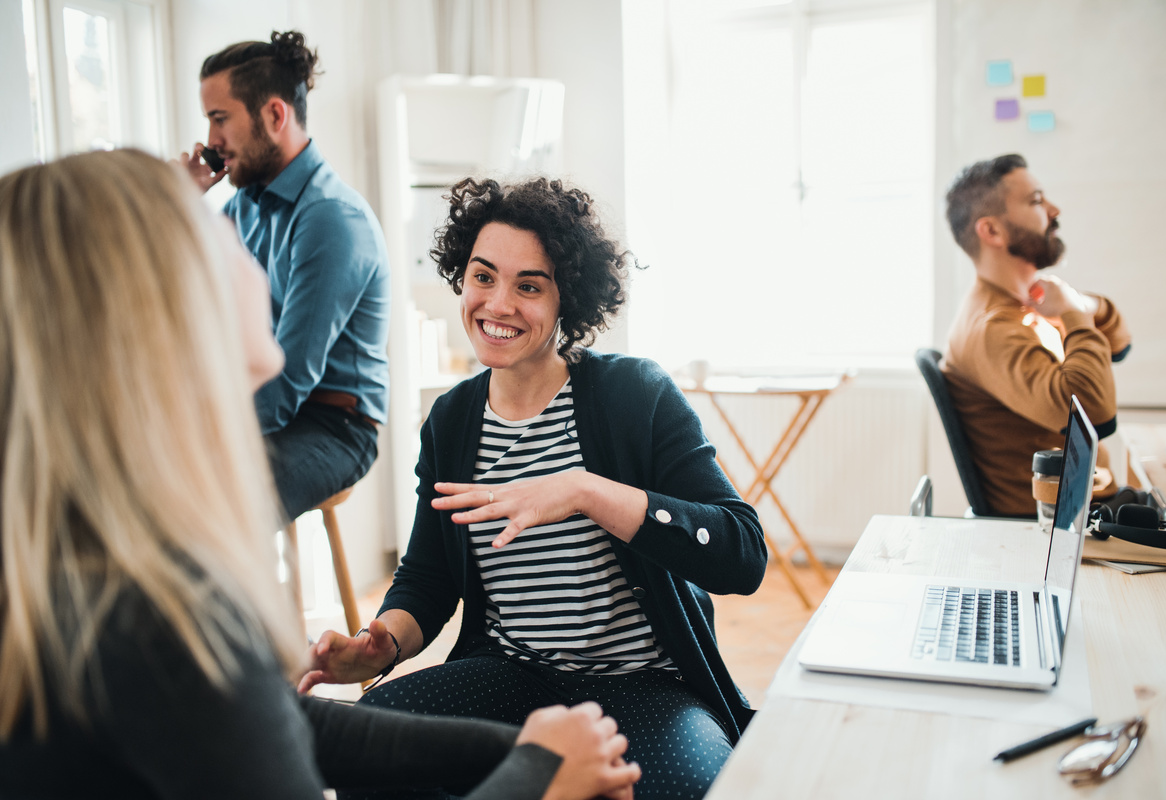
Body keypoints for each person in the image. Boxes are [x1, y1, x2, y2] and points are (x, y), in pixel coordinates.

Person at [0, 149, 640, 800]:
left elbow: (277, 727)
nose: (262, 261)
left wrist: (523, 754)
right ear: (166, 310)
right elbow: (426, 578)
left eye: (529, 284)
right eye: (220, 236)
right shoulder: (164, 612)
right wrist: (539, 779)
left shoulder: (98, 567)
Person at [300, 177, 768, 800]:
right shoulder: (452, 419)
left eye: (529, 286)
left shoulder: (634, 396)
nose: (497, 304)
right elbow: (430, 575)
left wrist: (586, 491)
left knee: (687, 789)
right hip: (508, 674)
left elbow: (742, 553)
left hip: (644, 684)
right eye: (483, 276)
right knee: (369, 751)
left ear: (565, 300)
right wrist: (379, 645)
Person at [180, 30, 389, 522]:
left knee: (206, 514)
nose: (210, 141)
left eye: (219, 119)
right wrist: (179, 206)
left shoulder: (331, 219)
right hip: (269, 406)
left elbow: (289, 377)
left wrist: (200, 435)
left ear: (274, 115)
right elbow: (181, 304)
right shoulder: (242, 206)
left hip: (333, 425)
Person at [941, 154, 1131, 517]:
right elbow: (1093, 413)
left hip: (1085, 510)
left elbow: (1119, 344)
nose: (1054, 210)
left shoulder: (1025, 306)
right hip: (1062, 531)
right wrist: (1073, 313)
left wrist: (1084, 305)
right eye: (1037, 201)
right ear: (992, 231)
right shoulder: (993, 328)